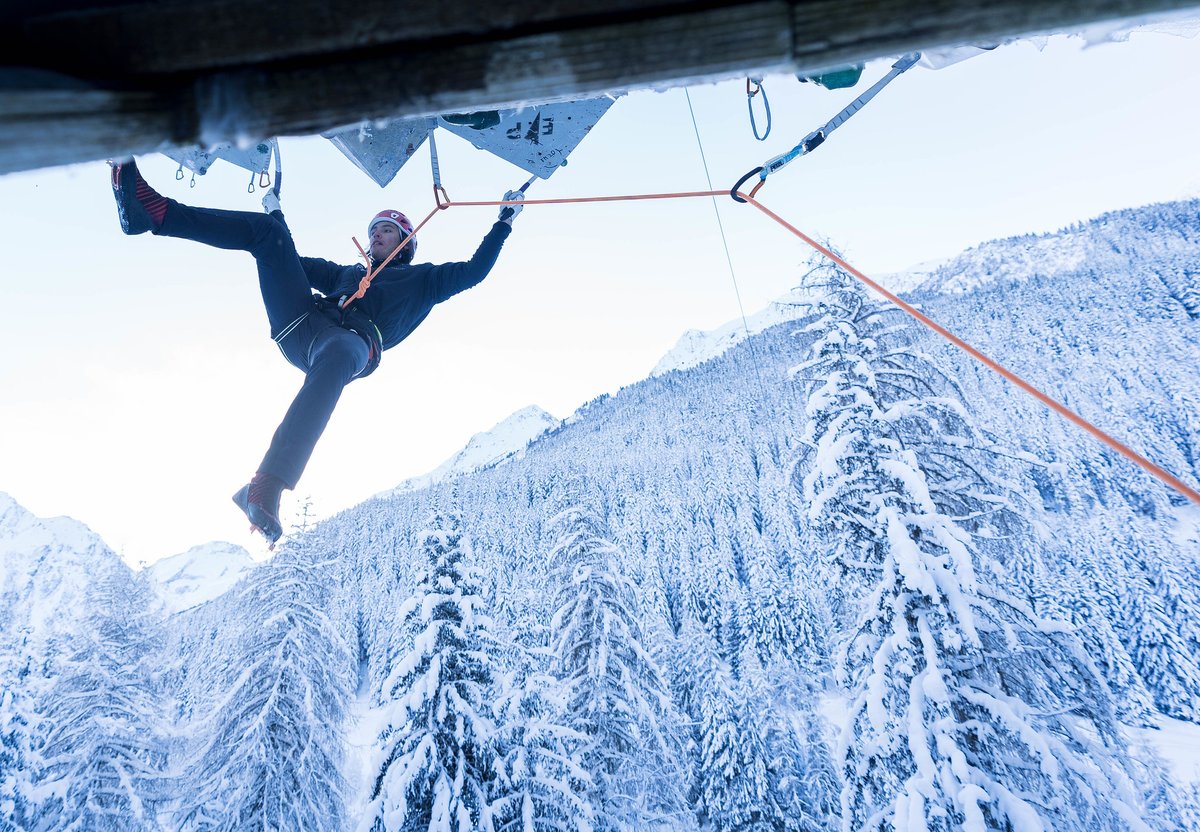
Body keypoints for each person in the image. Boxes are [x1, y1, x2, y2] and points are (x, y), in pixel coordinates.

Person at [109, 159, 524, 544]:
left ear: (406, 242)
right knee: (267, 237)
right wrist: (276, 219)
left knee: (341, 353)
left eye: (387, 229)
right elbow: (288, 259)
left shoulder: (424, 281)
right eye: (373, 228)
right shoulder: (346, 272)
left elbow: (474, 272)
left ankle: (267, 484)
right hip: (303, 323)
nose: (376, 233)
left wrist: (503, 222)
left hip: (353, 342)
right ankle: (155, 211)